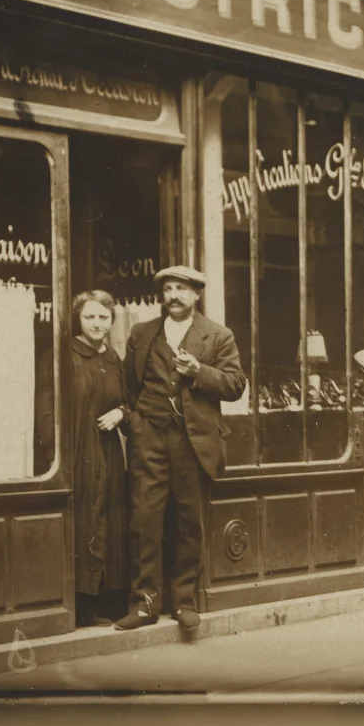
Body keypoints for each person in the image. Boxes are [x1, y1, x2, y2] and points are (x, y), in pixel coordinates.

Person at [114, 265, 246, 636]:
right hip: (150, 437)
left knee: (191, 522)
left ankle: (184, 601)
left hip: (194, 442)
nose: (173, 295)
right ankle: (144, 604)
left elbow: (236, 384)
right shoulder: (142, 333)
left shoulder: (218, 335)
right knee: (144, 520)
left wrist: (198, 372)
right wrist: (137, 424)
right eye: (168, 289)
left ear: (196, 295)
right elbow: (129, 386)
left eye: (182, 289)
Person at [71, 289, 129, 627]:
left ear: (111, 321)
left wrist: (121, 413)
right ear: (78, 319)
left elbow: (129, 400)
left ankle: (110, 598)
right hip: (78, 454)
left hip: (108, 451)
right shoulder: (67, 355)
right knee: (84, 520)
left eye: (103, 317)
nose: (96, 323)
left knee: (111, 521)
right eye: (89, 317)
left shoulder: (113, 360)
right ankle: (82, 603)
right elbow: (48, 410)